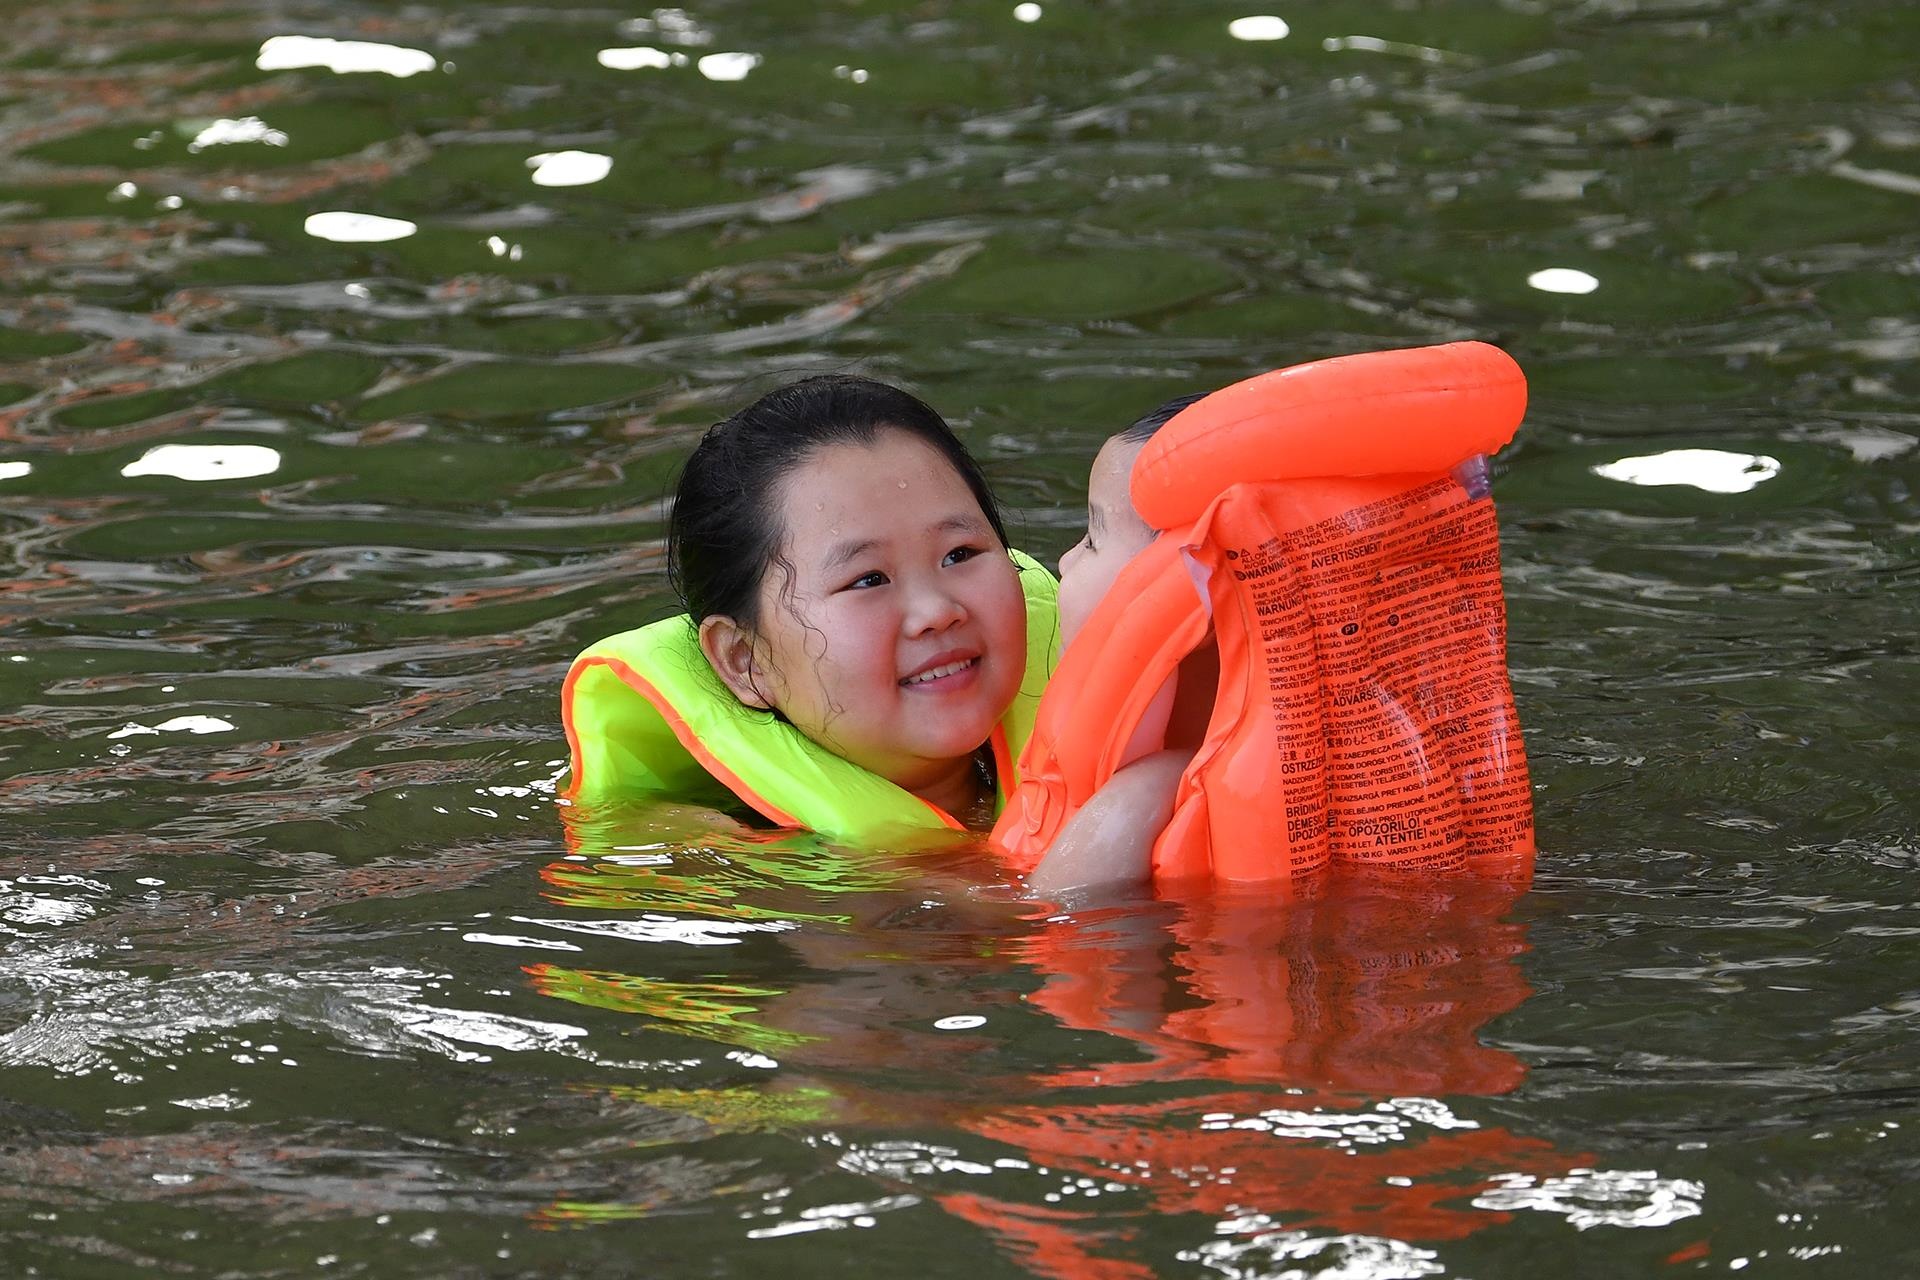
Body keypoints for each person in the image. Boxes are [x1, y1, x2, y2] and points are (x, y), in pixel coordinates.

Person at [1023, 394, 1218, 898]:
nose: (1065, 561)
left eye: (1091, 538)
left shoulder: (1149, 798)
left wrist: (1137, 796)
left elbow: (1027, 921)